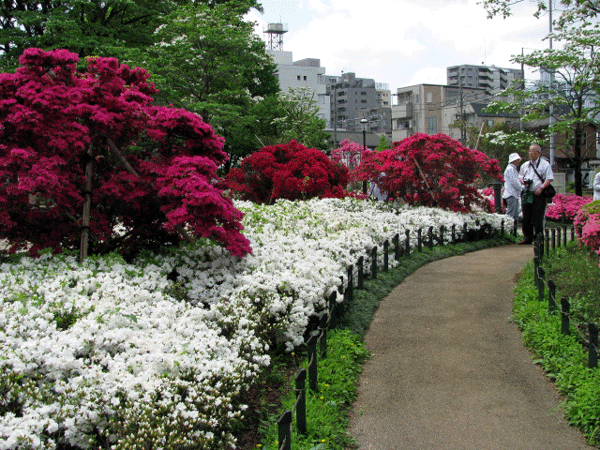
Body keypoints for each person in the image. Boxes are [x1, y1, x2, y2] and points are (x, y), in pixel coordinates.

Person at [518, 144, 554, 245]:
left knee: (538, 216)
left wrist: (541, 187)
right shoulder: (525, 165)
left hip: (539, 194)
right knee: (526, 216)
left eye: (533, 151)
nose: (531, 153)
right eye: (529, 151)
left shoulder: (544, 164)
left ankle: (539, 237)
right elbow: (520, 175)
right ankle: (528, 237)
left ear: (539, 153)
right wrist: (522, 181)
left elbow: (549, 178)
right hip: (527, 193)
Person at [502, 152, 523, 231]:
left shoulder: (512, 169)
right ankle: (508, 230)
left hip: (513, 194)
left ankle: (513, 231)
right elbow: (515, 182)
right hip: (511, 194)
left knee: (515, 214)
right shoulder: (510, 169)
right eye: (517, 160)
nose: (518, 161)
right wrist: (522, 188)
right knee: (511, 214)